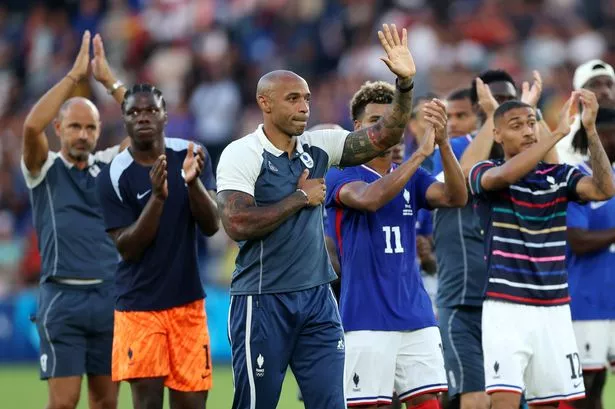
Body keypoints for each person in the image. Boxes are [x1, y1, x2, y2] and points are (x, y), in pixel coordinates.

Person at [216, 23, 416, 409]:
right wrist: (299, 198)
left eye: (306, 98)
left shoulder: (319, 145)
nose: (304, 107)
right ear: (265, 102)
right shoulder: (242, 154)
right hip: (263, 298)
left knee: (330, 403)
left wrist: (405, 85)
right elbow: (237, 224)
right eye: (292, 98)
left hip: (318, 300)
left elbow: (384, 136)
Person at [325, 79, 467, 409]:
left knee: (429, 403)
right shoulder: (340, 173)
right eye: (376, 121)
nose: (387, 128)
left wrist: (443, 144)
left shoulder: (412, 176)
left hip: (416, 315)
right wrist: (420, 154)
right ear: (357, 127)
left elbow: (456, 197)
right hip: (365, 319)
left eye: (393, 120)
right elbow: (370, 199)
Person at [469, 92, 615, 409]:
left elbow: (604, 188)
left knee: (549, 403)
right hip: (506, 308)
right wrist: (559, 133)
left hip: (555, 307)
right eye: (516, 125)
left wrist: (589, 130)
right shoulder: (484, 171)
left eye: (532, 123)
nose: (527, 130)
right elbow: (506, 175)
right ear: (496, 134)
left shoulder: (559, 176)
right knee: (505, 401)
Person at [96, 83, 219, 409]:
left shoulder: (191, 154)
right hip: (139, 310)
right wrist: (158, 198)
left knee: (192, 404)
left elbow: (211, 225)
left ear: (165, 115)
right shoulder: (114, 174)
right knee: (147, 403)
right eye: (134, 111)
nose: (143, 117)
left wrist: (193, 184)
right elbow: (127, 247)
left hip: (187, 306)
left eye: (151, 109)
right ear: (124, 119)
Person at [21, 31, 126, 409]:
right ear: (59, 129)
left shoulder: (109, 164)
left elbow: (149, 130)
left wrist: (110, 82)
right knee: (64, 403)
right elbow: (31, 128)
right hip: (62, 297)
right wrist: (72, 77)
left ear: (99, 131)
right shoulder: (43, 169)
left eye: (91, 128)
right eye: (75, 127)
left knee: (106, 403)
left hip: (109, 295)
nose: (83, 135)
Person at [433, 68, 541, 409]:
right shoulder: (454, 147)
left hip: (513, 299)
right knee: (475, 400)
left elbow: (555, 167)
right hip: (464, 296)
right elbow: (463, 177)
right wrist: (494, 118)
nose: (502, 106)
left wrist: (531, 116)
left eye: (510, 101)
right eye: (494, 101)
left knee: (517, 400)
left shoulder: (523, 155)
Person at [565, 107, 615, 409]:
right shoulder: (580, 179)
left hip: (611, 300)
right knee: (585, 387)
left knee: (600, 385)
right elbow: (577, 240)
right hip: (587, 302)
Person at [557, 59, 615, 165]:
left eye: (609, 84)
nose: (605, 91)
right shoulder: (566, 139)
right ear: (579, 94)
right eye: (595, 85)